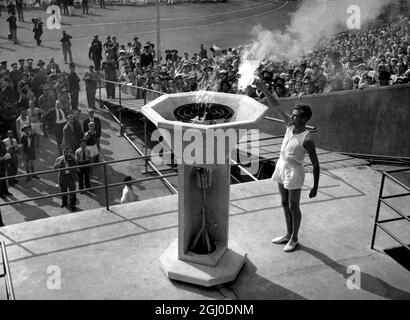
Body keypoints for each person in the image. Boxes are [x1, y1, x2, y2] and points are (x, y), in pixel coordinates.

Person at [257, 80, 320, 253]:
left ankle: (294, 238)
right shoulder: (290, 126)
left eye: (295, 115)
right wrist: (264, 88)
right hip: (281, 166)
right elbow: (276, 105)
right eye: (292, 115)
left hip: (295, 171)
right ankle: (287, 233)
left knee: (293, 206)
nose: (291, 117)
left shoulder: (307, 139)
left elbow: (316, 165)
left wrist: (315, 186)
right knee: (284, 203)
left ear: (304, 119)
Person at [54, 146, 78, 211]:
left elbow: (77, 165)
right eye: (65, 152)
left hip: (71, 177)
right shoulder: (59, 159)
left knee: (72, 191)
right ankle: (64, 203)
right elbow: (55, 167)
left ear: (70, 152)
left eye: (68, 152)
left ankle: (73, 205)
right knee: (63, 191)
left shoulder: (73, 158)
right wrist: (60, 163)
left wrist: (72, 157)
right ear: (63, 152)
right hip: (63, 177)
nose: (66, 154)